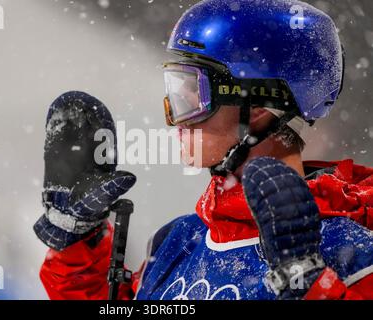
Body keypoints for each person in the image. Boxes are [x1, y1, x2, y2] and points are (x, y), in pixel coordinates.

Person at [33, 0, 373, 300]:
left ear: (258, 107)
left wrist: (308, 284)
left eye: (193, 93)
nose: (174, 118)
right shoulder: (179, 241)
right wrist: (77, 243)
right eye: (175, 92)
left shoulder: (348, 252)